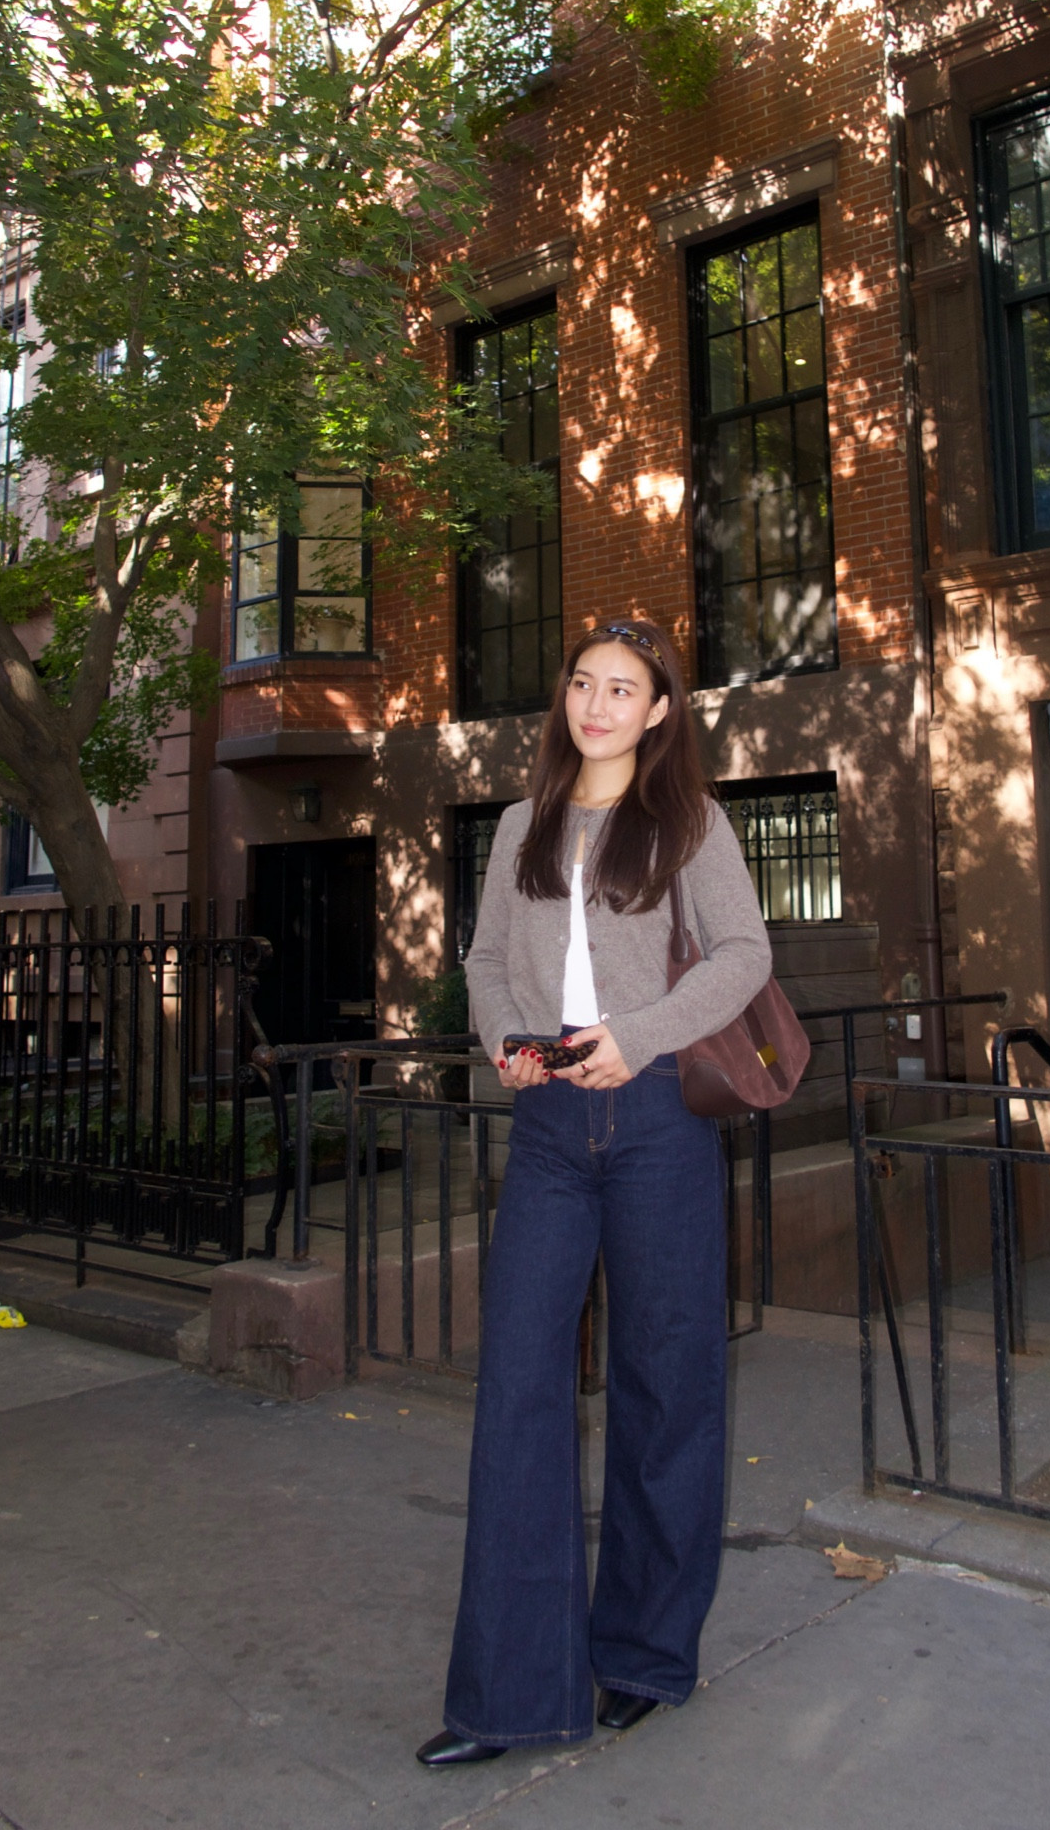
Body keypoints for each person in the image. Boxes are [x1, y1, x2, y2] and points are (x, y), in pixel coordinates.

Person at [417, 618, 773, 1766]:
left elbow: (742, 954)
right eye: (583, 682)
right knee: (519, 1383)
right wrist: (503, 1042)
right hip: (553, 1125)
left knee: (666, 1384)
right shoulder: (522, 823)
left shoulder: (686, 821)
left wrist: (641, 1035)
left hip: (661, 1116)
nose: (599, 703)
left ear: (662, 708)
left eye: (625, 687)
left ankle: (643, 1651)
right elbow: (480, 962)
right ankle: (508, 1691)